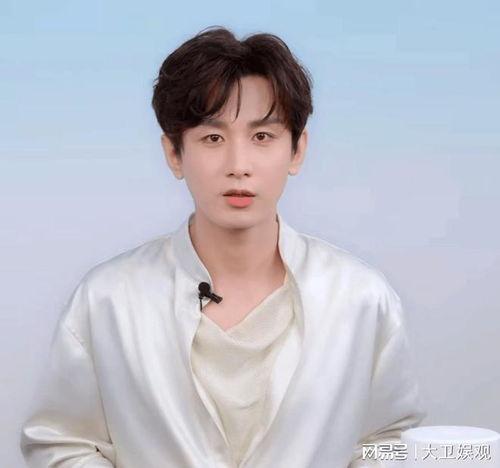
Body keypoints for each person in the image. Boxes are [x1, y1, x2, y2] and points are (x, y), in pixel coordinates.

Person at [19, 26, 427, 468]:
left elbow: (389, 442)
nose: (239, 166)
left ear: (297, 150)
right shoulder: (107, 299)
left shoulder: (360, 298)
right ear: (174, 153)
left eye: (262, 136)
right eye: (212, 138)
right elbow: (61, 444)